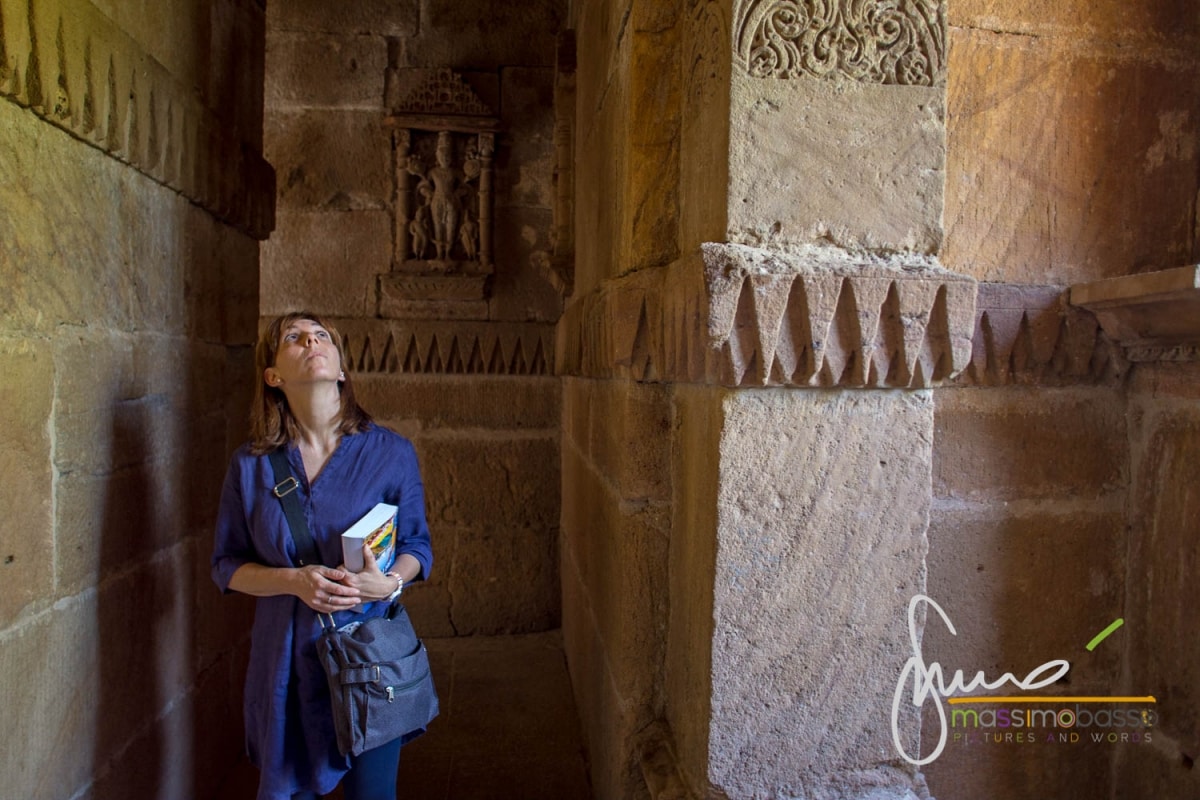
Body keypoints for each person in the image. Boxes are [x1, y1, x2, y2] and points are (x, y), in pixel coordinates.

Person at [211, 312, 433, 800]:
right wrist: (293, 581)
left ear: (340, 370)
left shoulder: (391, 453)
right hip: (284, 666)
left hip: (367, 658)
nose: (311, 341)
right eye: (294, 337)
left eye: (322, 336)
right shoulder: (250, 465)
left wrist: (390, 582)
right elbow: (227, 566)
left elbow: (417, 546)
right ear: (273, 376)